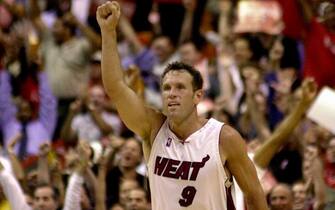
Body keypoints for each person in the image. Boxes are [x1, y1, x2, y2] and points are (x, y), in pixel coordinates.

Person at [96, 1, 268, 210]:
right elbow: (115, 87)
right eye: (167, 88)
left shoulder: (224, 137)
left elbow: (253, 193)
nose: (172, 94)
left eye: (180, 87)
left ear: (198, 96)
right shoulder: (152, 128)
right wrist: (108, 32)